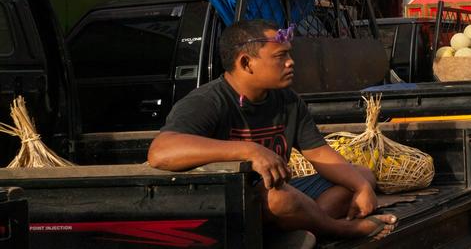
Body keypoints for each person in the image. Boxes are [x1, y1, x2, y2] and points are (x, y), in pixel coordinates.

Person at [147, 20, 396, 240]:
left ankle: (302, 227)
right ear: (246, 63)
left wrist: (362, 189)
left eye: (289, 54)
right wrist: (249, 150)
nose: (291, 62)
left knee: (361, 176)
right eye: (280, 56)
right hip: (230, 205)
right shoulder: (207, 101)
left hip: (281, 192)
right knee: (280, 199)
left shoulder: (287, 101)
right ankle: (339, 229)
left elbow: (319, 153)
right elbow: (160, 152)